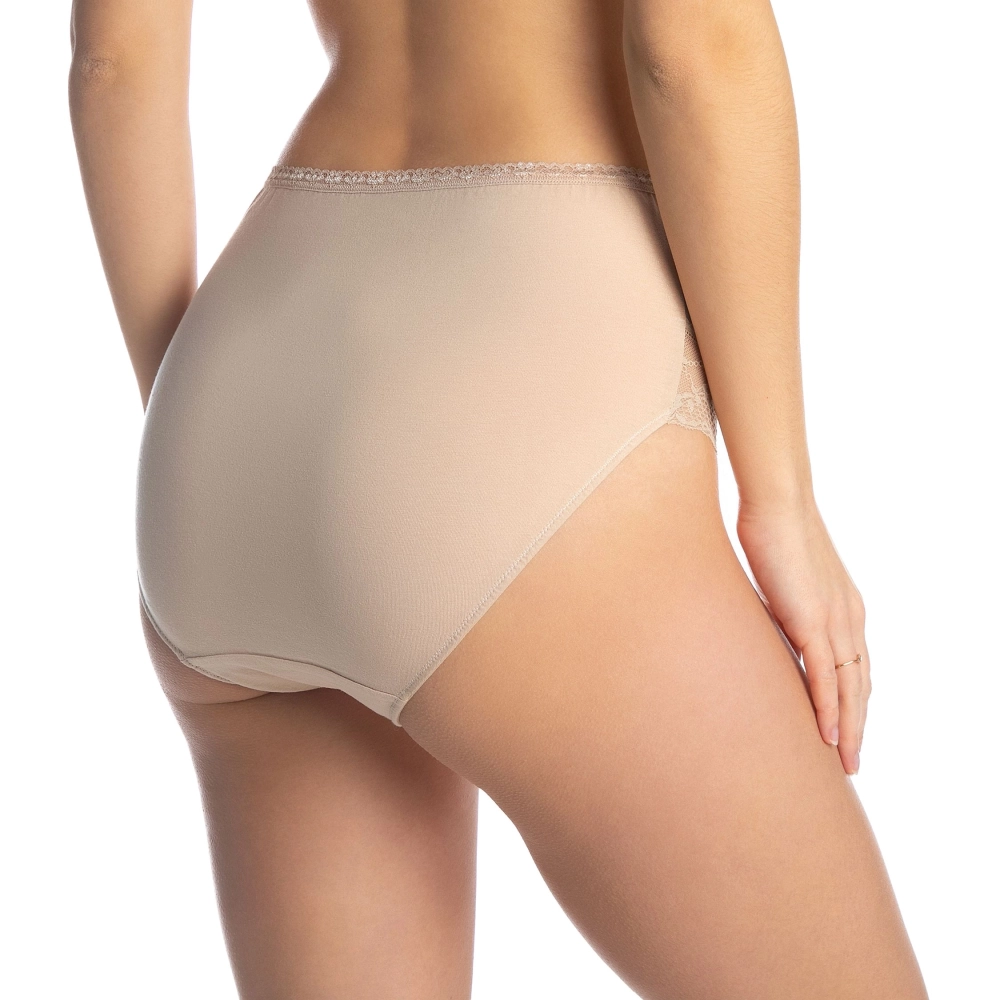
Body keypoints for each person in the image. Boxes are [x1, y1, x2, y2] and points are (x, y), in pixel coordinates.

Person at [68, 0, 928, 996]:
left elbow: (112, 63)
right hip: (523, 344)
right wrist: (782, 498)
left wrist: (192, 423)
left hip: (238, 389)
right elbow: (695, 50)